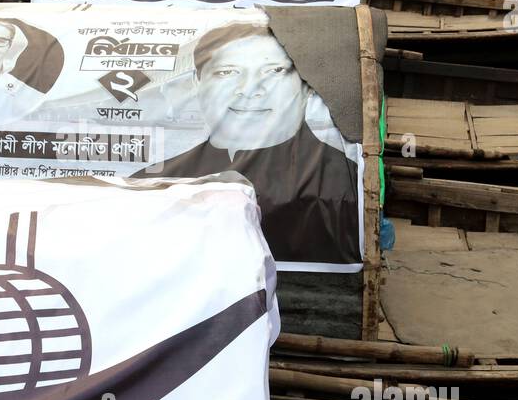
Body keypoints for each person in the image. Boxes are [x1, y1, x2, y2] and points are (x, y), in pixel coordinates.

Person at [136, 25, 360, 266]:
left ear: (307, 87)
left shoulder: (344, 181)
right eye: (227, 72)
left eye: (274, 71)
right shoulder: (154, 182)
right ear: (197, 82)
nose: (250, 89)